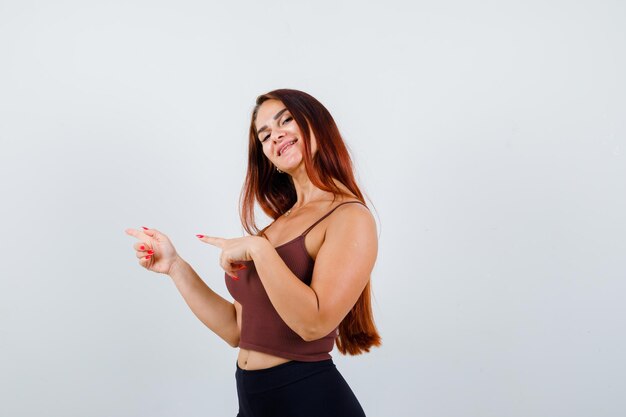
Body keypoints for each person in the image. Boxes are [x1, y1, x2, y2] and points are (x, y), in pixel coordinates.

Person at [125, 88, 381, 416]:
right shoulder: (278, 226)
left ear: (318, 125)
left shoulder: (349, 216)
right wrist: (175, 266)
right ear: (267, 158)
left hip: (310, 400)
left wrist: (260, 250)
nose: (276, 135)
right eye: (265, 135)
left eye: (286, 120)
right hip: (252, 402)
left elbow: (314, 325)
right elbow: (236, 330)